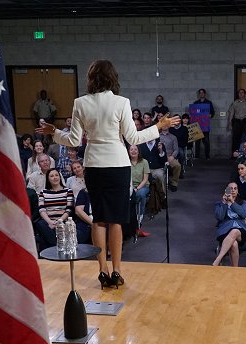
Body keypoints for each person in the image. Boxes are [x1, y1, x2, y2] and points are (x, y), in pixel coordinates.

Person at [37, 59, 179, 289]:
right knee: (116, 220)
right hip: (117, 165)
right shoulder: (121, 102)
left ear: (91, 78)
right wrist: (158, 127)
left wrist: (54, 132)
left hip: (93, 165)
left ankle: (102, 270)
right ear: (113, 77)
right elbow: (133, 139)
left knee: (99, 219)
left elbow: (73, 140)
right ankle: (117, 271)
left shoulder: (80, 103)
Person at [212, 182, 246, 267]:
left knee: (235, 231)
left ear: (237, 191)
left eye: (235, 188)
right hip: (225, 229)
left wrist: (232, 202)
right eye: (231, 188)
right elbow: (220, 217)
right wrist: (224, 203)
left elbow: (243, 214)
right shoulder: (220, 203)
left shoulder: (242, 202)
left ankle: (218, 259)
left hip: (241, 230)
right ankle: (235, 269)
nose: (233, 190)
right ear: (226, 190)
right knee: (234, 244)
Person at [36, 168, 74, 250]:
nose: (55, 177)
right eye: (52, 176)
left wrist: (59, 221)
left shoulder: (68, 191)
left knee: (46, 235)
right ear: (48, 179)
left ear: (60, 177)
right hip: (48, 221)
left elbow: (69, 209)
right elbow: (41, 209)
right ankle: (58, 246)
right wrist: (50, 222)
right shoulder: (43, 192)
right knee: (40, 224)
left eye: (56, 175)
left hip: (63, 220)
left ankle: (53, 248)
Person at [227, 89, 246, 156]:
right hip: (237, 122)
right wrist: (229, 123)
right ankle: (234, 154)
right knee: (235, 138)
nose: (241, 94)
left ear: (245, 94)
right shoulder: (235, 103)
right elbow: (231, 113)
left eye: (242, 93)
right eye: (239, 93)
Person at [192, 88, 215, 160]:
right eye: (200, 93)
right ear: (199, 94)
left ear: (205, 94)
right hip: (197, 125)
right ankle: (197, 156)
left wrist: (210, 115)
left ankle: (207, 156)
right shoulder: (196, 103)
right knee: (197, 141)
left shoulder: (209, 103)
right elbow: (193, 113)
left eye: (202, 93)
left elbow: (213, 112)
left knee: (206, 141)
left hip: (205, 124)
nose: (201, 94)